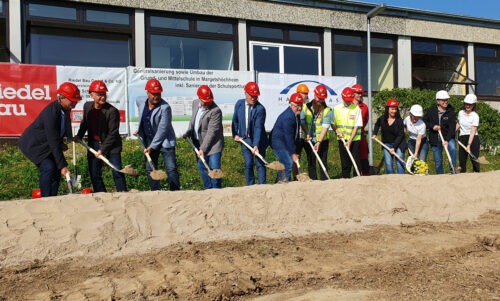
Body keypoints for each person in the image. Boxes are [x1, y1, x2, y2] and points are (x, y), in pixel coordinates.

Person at [18, 82, 82, 197]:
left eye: (76, 101)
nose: (75, 103)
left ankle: (53, 198)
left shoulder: (66, 109)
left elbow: (63, 127)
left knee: (56, 171)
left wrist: (66, 140)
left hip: (47, 144)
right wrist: (63, 165)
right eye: (72, 100)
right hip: (34, 145)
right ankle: (46, 199)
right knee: (49, 167)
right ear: (61, 97)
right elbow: (53, 141)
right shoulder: (51, 112)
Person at [75, 80, 127, 192]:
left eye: (104, 94)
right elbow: (84, 123)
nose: (103, 97)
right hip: (93, 145)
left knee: (116, 171)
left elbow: (113, 133)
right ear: (91, 95)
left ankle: (123, 194)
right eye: (99, 95)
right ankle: (102, 195)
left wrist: (102, 149)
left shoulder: (112, 111)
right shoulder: (87, 106)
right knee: (94, 173)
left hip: (112, 146)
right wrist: (79, 135)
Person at [136, 78, 180, 191]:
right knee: (150, 167)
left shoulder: (165, 108)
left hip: (164, 141)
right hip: (148, 140)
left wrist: (152, 146)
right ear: (147, 92)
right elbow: (143, 117)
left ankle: (175, 191)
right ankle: (155, 192)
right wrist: (139, 129)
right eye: (153, 94)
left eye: (158, 94)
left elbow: (163, 129)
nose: (156, 96)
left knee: (171, 168)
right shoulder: (140, 101)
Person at [183, 85, 224, 189]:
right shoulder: (195, 103)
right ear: (199, 98)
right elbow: (193, 120)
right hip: (198, 142)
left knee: (214, 169)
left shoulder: (216, 111)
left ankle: (216, 190)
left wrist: (203, 149)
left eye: (209, 100)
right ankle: (208, 190)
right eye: (205, 101)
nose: (207, 103)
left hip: (213, 145)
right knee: (202, 167)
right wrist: (189, 131)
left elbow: (211, 132)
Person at [231, 81, 269, 185]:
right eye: (251, 96)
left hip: (259, 140)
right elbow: (235, 120)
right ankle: (250, 186)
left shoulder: (260, 109)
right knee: (248, 163)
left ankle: (262, 185)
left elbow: (258, 128)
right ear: (245, 93)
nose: (253, 98)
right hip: (245, 139)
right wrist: (235, 134)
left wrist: (256, 144)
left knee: (260, 163)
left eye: (256, 96)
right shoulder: (239, 104)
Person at [300, 84, 332, 180]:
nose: (320, 101)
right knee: (311, 163)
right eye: (318, 98)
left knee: (322, 162)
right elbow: (302, 121)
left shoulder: (327, 110)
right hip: (309, 140)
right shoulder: (305, 107)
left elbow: (325, 127)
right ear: (314, 95)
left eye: (322, 99)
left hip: (322, 141)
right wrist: (307, 133)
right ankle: (314, 183)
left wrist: (319, 142)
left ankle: (324, 182)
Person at [270, 93, 304, 182]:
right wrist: (293, 153)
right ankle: (283, 185)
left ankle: (279, 182)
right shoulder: (288, 117)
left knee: (285, 163)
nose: (300, 108)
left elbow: (295, 134)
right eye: (297, 106)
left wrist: (295, 151)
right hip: (279, 142)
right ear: (291, 104)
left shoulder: (296, 114)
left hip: (286, 141)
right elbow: (288, 137)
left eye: (301, 105)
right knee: (287, 163)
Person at [423, 90, 457, 174]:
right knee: (438, 161)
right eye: (443, 100)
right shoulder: (430, 111)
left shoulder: (451, 112)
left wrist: (447, 140)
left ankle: (452, 169)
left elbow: (452, 128)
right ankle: (440, 176)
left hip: (448, 137)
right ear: (438, 101)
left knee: (452, 149)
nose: (446, 102)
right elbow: (424, 123)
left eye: (447, 100)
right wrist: (432, 126)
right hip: (435, 139)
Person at [332, 87, 362, 178]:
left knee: (355, 160)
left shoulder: (356, 109)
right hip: (342, 139)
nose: (348, 102)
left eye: (349, 100)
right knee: (345, 162)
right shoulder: (336, 109)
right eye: (346, 100)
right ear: (342, 97)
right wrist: (337, 131)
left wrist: (350, 141)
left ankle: (357, 178)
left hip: (354, 140)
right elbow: (333, 123)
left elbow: (356, 126)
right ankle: (346, 179)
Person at [373, 98, 407, 174]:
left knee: (399, 163)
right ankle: (391, 180)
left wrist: (394, 147)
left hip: (399, 144)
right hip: (387, 144)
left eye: (395, 109)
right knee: (388, 164)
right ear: (387, 109)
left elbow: (401, 135)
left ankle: (402, 180)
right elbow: (377, 124)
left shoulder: (399, 120)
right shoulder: (382, 118)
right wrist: (375, 133)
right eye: (392, 109)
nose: (394, 111)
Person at [457, 94, 480, 173]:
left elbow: (473, 130)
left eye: (470, 104)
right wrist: (452, 132)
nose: (468, 106)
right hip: (462, 137)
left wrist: (469, 145)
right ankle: (462, 174)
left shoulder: (475, 116)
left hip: (473, 138)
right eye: (466, 104)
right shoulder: (460, 113)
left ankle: (476, 173)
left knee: (474, 159)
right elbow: (459, 124)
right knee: (462, 159)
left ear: (473, 105)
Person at [352, 84, 370, 176]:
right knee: (352, 158)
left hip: (360, 135)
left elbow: (366, 120)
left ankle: (364, 175)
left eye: (361, 93)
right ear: (353, 93)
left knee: (363, 156)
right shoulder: (348, 106)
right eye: (357, 93)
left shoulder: (365, 107)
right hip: (349, 136)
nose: (360, 95)